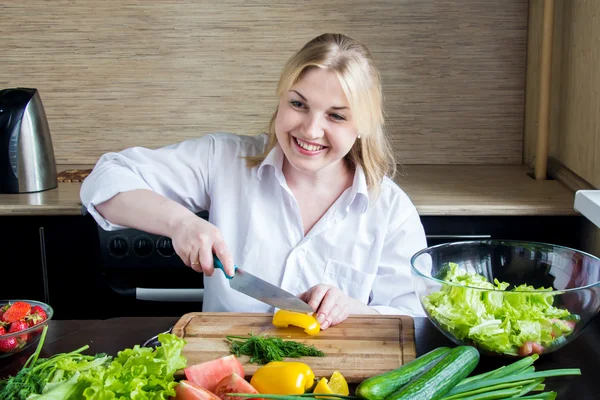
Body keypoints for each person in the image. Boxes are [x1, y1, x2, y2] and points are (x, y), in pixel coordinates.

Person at [80, 33, 428, 330]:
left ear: (364, 124)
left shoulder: (392, 212)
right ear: (280, 99)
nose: (310, 130)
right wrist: (181, 223)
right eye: (298, 104)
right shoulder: (223, 159)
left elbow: (419, 321)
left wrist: (352, 309)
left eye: (336, 116)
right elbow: (105, 180)